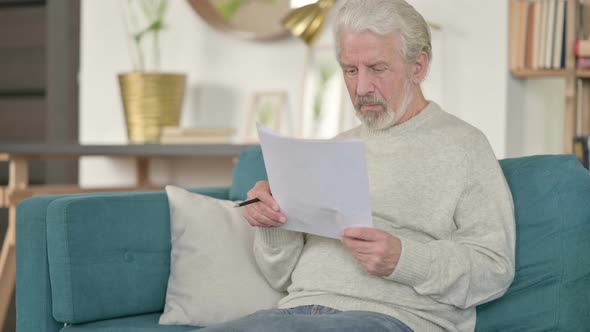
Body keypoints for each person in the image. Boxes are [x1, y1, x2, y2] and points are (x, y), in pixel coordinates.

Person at [198, 0, 515, 331]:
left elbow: (493, 270)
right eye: (350, 70)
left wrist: (403, 259)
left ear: (418, 67)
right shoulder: (335, 148)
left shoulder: (464, 146)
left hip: (389, 318)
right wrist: (272, 225)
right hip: (293, 313)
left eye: (377, 68)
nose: (361, 88)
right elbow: (281, 275)